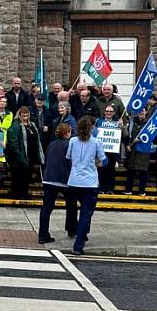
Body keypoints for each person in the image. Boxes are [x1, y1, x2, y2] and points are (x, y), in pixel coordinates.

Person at [66, 116, 107, 255]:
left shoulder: (72, 141)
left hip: (74, 180)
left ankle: (76, 231)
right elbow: (102, 161)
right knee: (86, 214)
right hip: (89, 182)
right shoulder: (96, 142)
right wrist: (94, 163)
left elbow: (69, 158)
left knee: (73, 209)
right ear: (91, 128)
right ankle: (79, 244)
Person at [38, 123, 77, 243]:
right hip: (64, 179)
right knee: (71, 205)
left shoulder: (51, 144)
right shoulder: (69, 144)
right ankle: (71, 229)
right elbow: (71, 161)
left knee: (46, 208)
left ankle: (43, 234)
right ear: (67, 133)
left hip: (49, 178)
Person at [6, 106, 45, 199]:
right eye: (23, 114)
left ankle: (24, 193)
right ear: (19, 115)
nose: (25, 116)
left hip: (31, 156)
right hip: (19, 157)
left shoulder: (33, 125)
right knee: (18, 176)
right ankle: (17, 194)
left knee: (27, 176)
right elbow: (13, 142)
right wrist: (19, 154)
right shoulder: (15, 126)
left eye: (27, 114)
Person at [95, 106, 124, 194]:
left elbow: (125, 137)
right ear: (104, 112)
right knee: (100, 170)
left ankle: (110, 189)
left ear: (114, 113)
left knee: (111, 171)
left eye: (111, 111)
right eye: (107, 111)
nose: (108, 113)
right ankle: (100, 188)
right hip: (101, 150)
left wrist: (122, 127)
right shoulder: (98, 121)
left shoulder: (118, 122)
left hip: (113, 151)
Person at [124, 110, 151, 195]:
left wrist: (141, 139)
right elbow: (126, 135)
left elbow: (151, 137)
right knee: (130, 171)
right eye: (139, 112)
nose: (141, 114)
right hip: (132, 150)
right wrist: (127, 145)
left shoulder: (149, 124)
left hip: (143, 151)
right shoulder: (132, 123)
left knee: (143, 172)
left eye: (142, 113)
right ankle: (128, 190)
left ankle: (142, 191)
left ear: (146, 113)